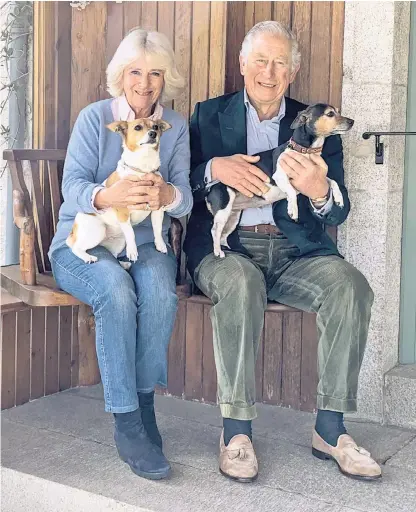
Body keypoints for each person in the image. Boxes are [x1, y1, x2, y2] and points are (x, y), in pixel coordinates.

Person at [184, 21, 381, 482]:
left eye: (279, 64)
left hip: (296, 253)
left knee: (351, 287)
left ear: (291, 72)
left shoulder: (316, 124)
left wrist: (318, 189)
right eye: (260, 61)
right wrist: (215, 167)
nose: (268, 73)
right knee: (239, 282)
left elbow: (338, 211)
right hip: (228, 249)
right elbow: (181, 186)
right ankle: (236, 433)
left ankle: (330, 430)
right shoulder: (209, 115)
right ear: (242, 65)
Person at [49, 28, 193, 480]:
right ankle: (127, 421)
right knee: (114, 289)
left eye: (155, 73)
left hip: (144, 243)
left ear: (165, 78)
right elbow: (71, 186)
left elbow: (186, 197)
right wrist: (106, 195)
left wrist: (168, 193)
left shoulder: (177, 127)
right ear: (120, 75)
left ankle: (145, 404)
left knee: (158, 290)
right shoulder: (95, 119)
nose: (145, 83)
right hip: (85, 239)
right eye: (135, 71)